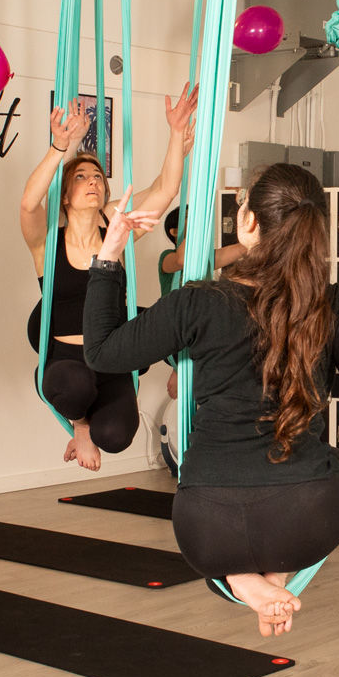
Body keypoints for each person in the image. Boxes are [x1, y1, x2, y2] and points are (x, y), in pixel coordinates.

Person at [84, 163, 339, 636]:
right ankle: (273, 575)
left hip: (206, 527)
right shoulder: (333, 305)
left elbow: (101, 353)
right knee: (300, 501)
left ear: (248, 223)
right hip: (310, 520)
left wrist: (110, 254)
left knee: (229, 548)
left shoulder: (199, 301)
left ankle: (244, 580)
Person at [20, 90, 198, 471]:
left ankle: (106, 418)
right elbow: (29, 204)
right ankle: (80, 425)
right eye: (80, 176)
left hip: (113, 356)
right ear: (65, 196)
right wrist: (59, 147)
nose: (92, 181)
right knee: (76, 388)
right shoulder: (47, 241)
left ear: (105, 193)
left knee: (116, 437)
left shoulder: (118, 229)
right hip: (65, 361)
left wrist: (175, 133)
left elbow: (165, 189)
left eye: (97, 176)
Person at [159, 206, 247, 399]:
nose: (197, 222)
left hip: (200, 336)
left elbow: (242, 249)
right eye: (188, 219)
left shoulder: (205, 260)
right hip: (176, 338)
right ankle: (179, 370)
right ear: (174, 232)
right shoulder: (167, 257)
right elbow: (182, 260)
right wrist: (195, 226)